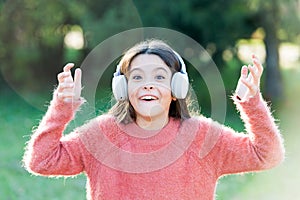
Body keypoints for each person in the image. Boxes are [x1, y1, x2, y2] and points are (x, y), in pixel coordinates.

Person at [23, 39, 284, 200]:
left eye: (159, 77)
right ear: (123, 89)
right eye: (137, 77)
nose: (148, 85)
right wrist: (62, 107)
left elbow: (267, 155)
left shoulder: (201, 136)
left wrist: (252, 104)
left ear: (177, 88)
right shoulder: (102, 134)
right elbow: (41, 160)